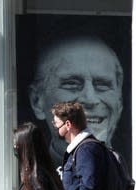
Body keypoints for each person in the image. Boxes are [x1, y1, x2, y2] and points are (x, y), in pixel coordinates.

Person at [28, 36, 124, 166]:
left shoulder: (124, 169)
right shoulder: (34, 170)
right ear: (37, 101)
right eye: (71, 84)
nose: (90, 99)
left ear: (119, 101)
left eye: (102, 85)